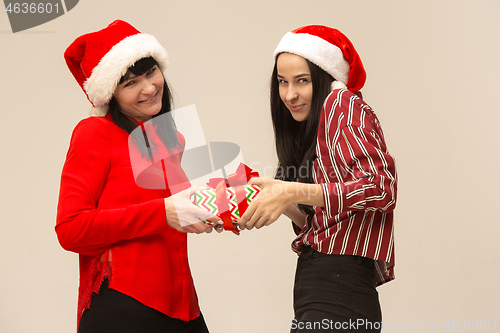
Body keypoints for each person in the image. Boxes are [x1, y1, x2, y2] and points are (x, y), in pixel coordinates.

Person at [56, 20, 217, 333]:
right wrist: (164, 213)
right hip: (122, 305)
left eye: (151, 72)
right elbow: (70, 229)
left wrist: (241, 196)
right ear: (110, 94)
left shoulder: (173, 138)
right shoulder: (94, 133)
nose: (148, 87)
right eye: (130, 83)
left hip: (183, 306)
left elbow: (190, 205)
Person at [238, 25, 397, 332]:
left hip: (338, 285)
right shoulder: (319, 125)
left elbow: (381, 187)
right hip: (321, 284)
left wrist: (291, 191)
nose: (289, 94)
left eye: (302, 81)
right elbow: (325, 221)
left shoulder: (342, 104)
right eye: (282, 82)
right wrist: (277, 196)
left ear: (325, 77)